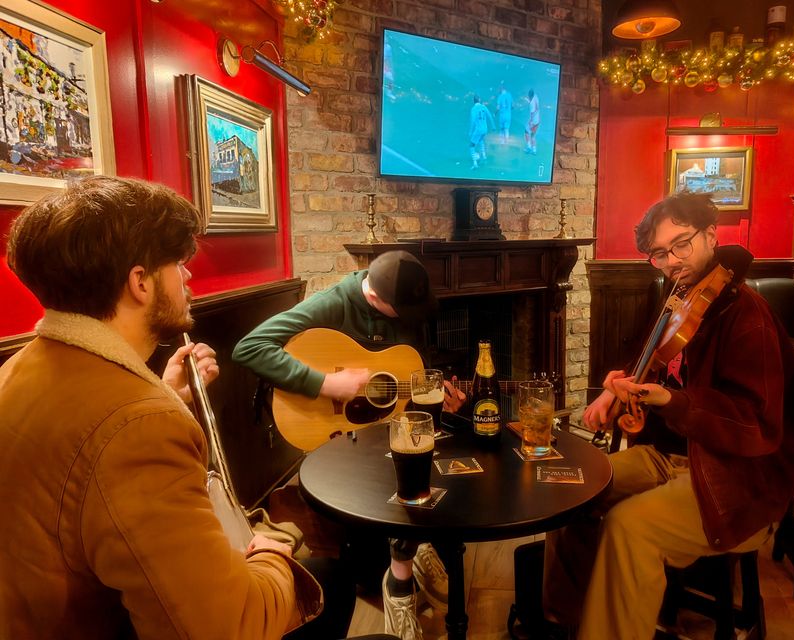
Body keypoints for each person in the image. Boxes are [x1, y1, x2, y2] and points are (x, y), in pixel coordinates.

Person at [0, 176, 325, 640]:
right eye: (176, 263)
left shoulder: (16, 369)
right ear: (140, 283)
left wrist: (165, 393)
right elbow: (228, 628)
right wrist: (273, 550)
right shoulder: (138, 424)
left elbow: (84, 467)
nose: (187, 277)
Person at [542, 192, 794, 640]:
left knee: (630, 528)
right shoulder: (681, 296)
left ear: (710, 235)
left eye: (680, 245)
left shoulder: (748, 317)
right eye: (659, 254)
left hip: (739, 478)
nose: (672, 262)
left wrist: (672, 403)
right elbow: (655, 364)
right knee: (571, 490)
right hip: (673, 457)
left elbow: (756, 425)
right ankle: (562, 622)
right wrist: (620, 387)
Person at [233, 250, 466, 640]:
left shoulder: (407, 308)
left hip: (389, 425)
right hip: (341, 432)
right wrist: (326, 384)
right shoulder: (333, 304)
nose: (410, 318)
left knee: (430, 453)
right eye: (401, 309)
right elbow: (249, 348)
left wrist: (438, 394)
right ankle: (408, 557)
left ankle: (407, 560)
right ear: (373, 297)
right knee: (381, 474)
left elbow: (409, 374)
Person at [468, 94, 495, 170]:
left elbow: (473, 120)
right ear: (479, 100)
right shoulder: (484, 107)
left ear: (473, 101)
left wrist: (470, 131)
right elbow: (489, 116)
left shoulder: (473, 109)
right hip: (485, 129)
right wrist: (493, 126)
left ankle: (475, 163)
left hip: (478, 130)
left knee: (471, 145)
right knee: (481, 140)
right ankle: (484, 156)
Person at [524, 88, 540, 155]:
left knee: (526, 132)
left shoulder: (532, 104)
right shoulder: (536, 97)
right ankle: (534, 150)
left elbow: (532, 113)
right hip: (538, 121)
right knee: (533, 135)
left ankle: (529, 147)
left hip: (533, 121)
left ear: (530, 96)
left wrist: (530, 122)